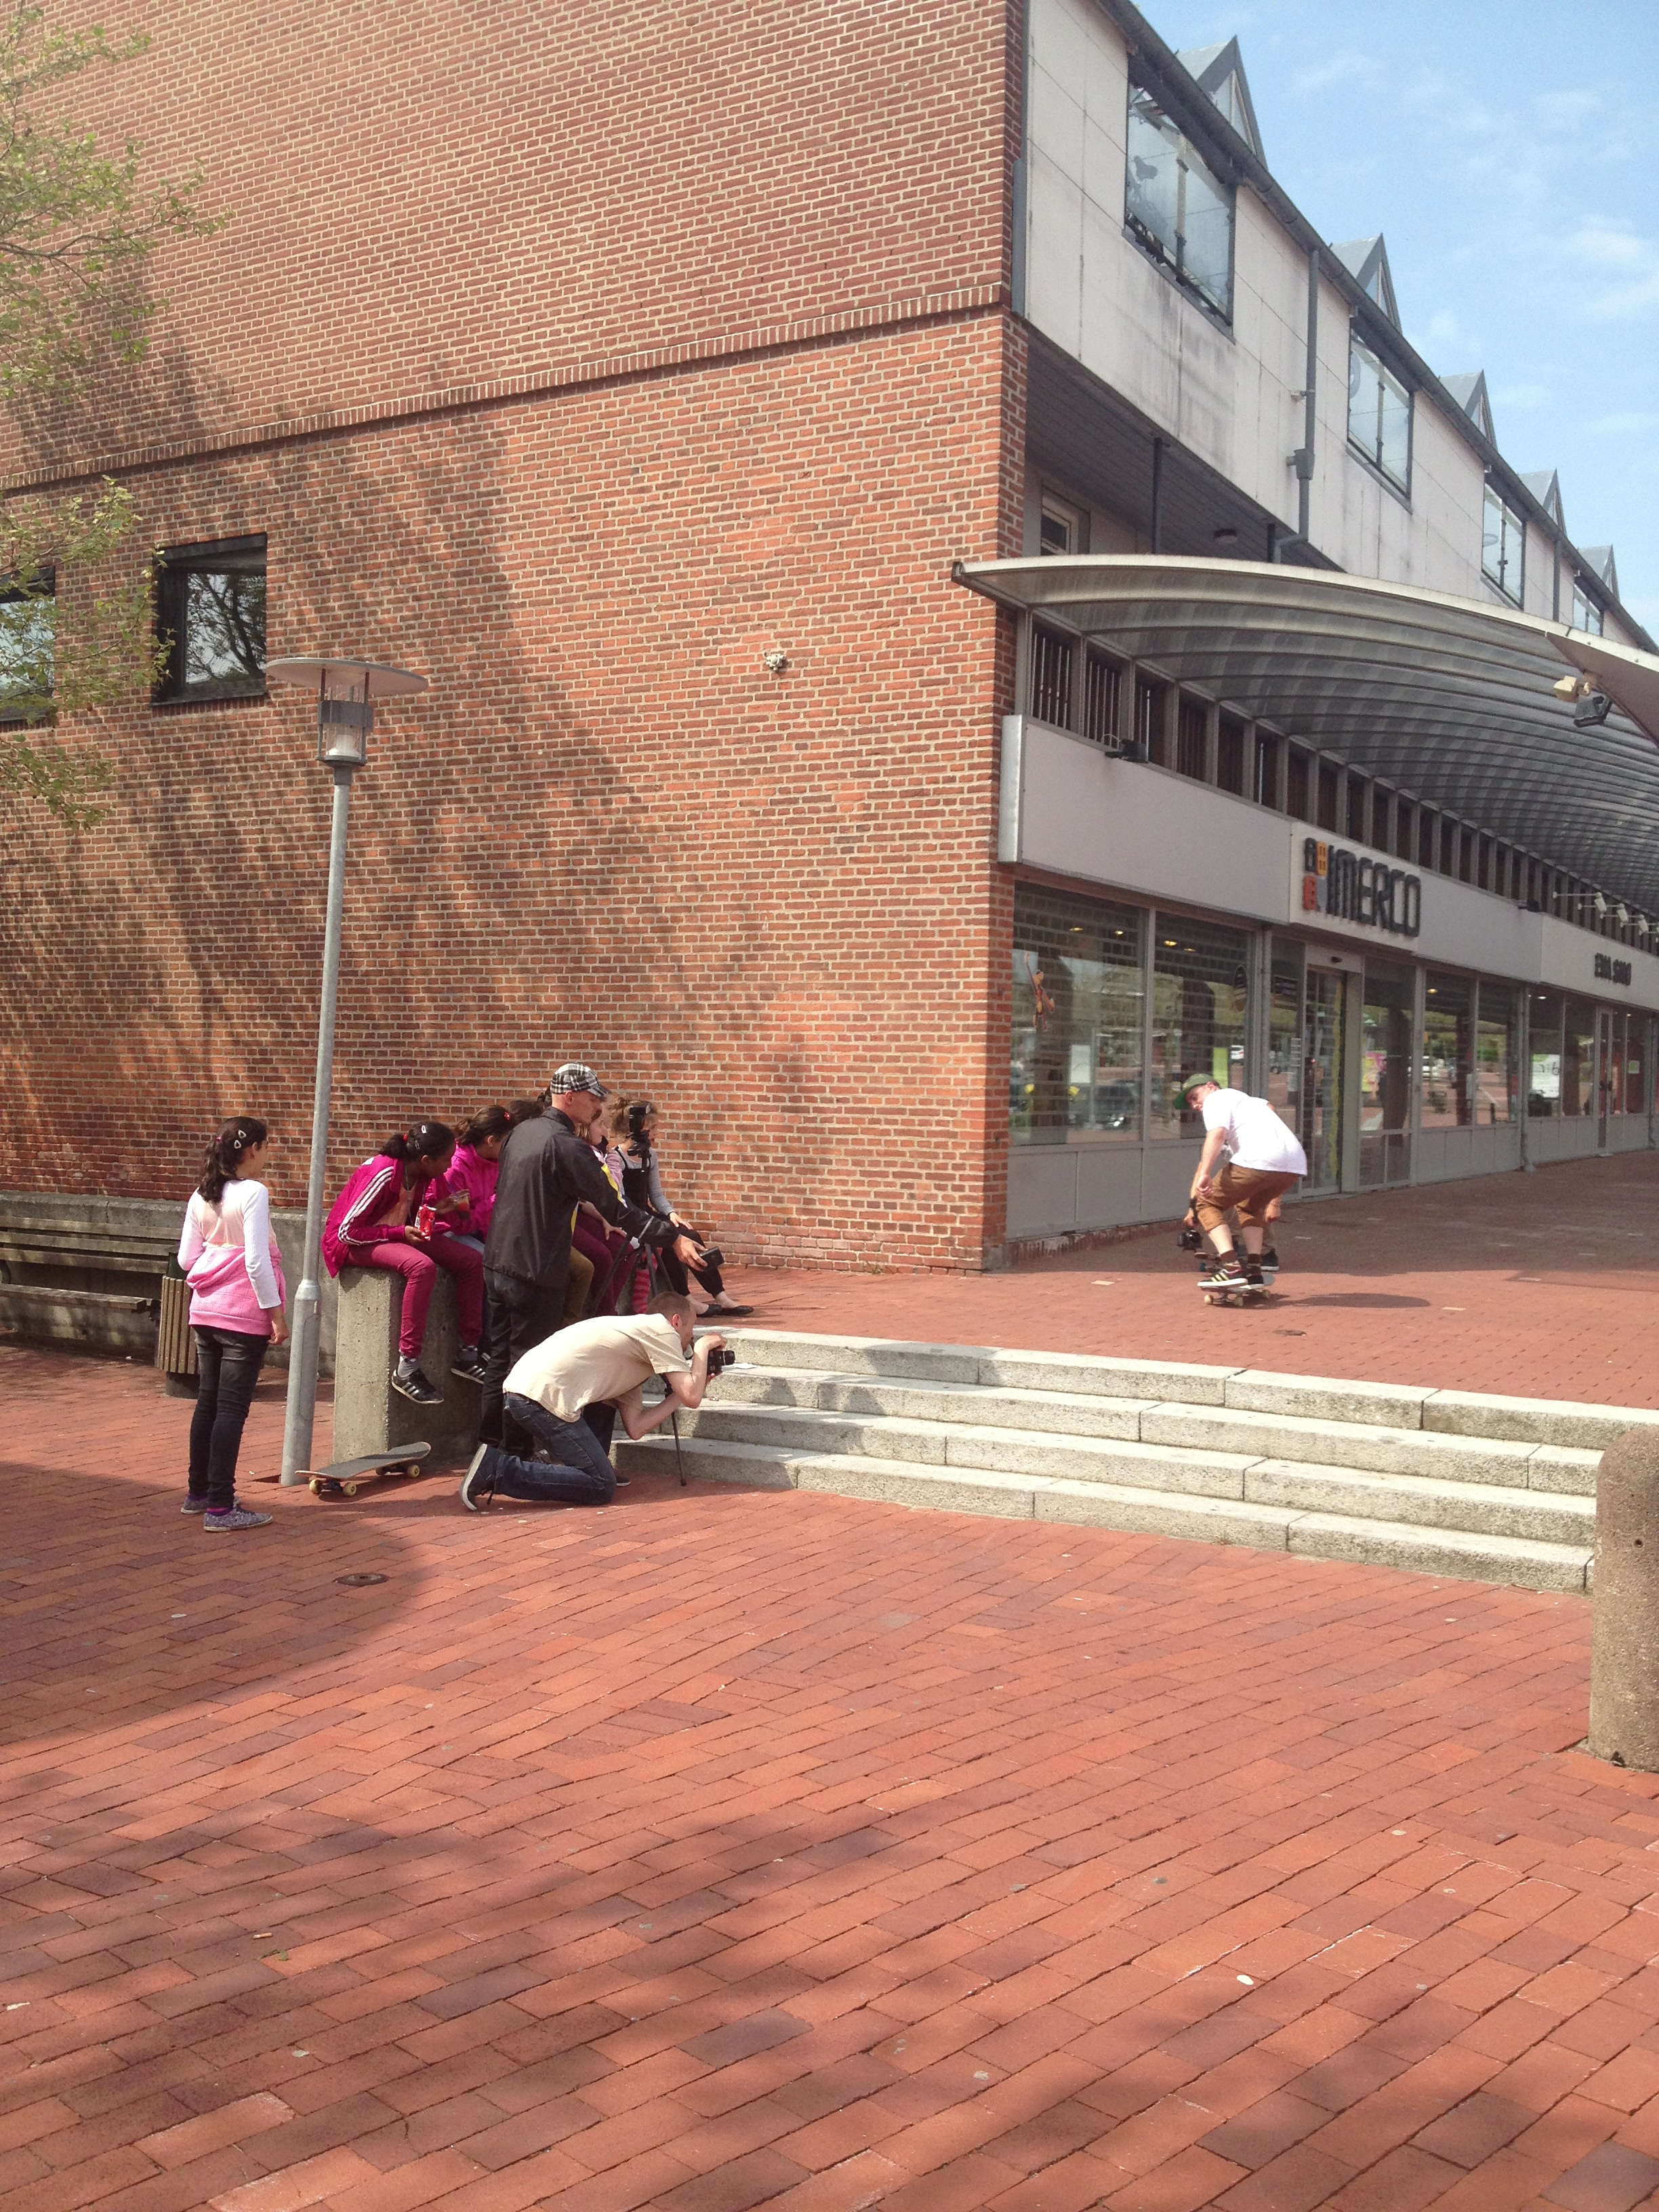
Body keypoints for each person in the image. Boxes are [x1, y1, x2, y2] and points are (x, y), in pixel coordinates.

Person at [479, 1063, 705, 1452]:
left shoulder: (522, 1132)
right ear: (569, 1097)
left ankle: (489, 1447)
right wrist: (672, 1239)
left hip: (498, 1262)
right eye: (593, 1096)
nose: (599, 1104)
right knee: (525, 1368)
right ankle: (514, 1458)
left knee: (499, 1361)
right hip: (535, 1269)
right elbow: (618, 1209)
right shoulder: (569, 1147)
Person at [461, 1290, 724, 1508]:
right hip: (539, 1397)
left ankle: (537, 1466)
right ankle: (498, 1469)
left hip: (527, 1391)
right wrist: (702, 1350)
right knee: (601, 1485)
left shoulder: (633, 1350)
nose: (691, 1340)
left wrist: (679, 1394)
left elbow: (637, 1428)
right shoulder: (660, 1329)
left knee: (599, 1477)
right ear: (676, 1321)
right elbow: (693, 1396)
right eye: (692, 1330)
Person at [321, 1122, 487, 1404]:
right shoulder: (384, 1172)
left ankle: (468, 1351)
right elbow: (345, 1231)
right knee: (421, 1267)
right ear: (426, 1160)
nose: (449, 1166)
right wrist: (398, 1233)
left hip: (393, 1234)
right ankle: (407, 1366)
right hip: (351, 1244)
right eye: (446, 1159)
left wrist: (438, 1211)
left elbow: (423, 1215)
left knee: (473, 1260)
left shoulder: (425, 1174)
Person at [176, 1116, 288, 1531]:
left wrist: (217, 1255)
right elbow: (256, 1260)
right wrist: (275, 1313)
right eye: (266, 1146)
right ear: (252, 1150)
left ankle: (199, 1492)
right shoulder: (254, 1193)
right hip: (243, 1313)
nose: (269, 1153)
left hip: (205, 1308)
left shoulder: (201, 1194)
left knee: (208, 1401)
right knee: (231, 1408)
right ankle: (222, 1507)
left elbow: (188, 1259)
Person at [607, 1099, 752, 1317]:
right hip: (634, 1219)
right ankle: (686, 1298)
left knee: (689, 1233)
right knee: (668, 1238)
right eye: (653, 1128)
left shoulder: (650, 1156)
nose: (656, 1134)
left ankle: (719, 1294)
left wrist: (671, 1213)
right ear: (637, 1129)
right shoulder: (616, 1158)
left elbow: (656, 1194)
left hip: (649, 1213)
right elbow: (621, 1199)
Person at [1180, 1076, 1307, 1294]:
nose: (1196, 1105)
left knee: (1206, 1203)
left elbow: (1216, 1134)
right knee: (1249, 1208)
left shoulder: (1216, 1099)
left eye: (1195, 1097)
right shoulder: (1252, 1102)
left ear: (1211, 1087)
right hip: (1294, 1165)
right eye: (1191, 1103)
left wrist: (1206, 1174)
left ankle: (1231, 1268)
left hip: (1260, 1159)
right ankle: (1255, 1270)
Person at [441, 1106, 512, 1251]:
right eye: (508, 1142)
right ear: (491, 1141)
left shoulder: (493, 1161)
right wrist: (497, 1202)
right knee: (489, 1262)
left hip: (480, 1229)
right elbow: (461, 1223)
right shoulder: (456, 1169)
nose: (512, 1147)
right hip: (449, 1232)